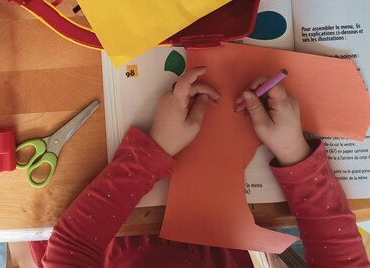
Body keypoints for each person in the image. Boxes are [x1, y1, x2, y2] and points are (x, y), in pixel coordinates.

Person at [25, 66, 370, 267]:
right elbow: (341, 258)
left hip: (111, 237)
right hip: (217, 243)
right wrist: (294, 154)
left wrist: (152, 152)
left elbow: (72, 246)